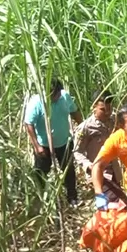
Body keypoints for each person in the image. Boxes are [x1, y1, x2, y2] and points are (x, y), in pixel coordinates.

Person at [24, 78, 83, 207]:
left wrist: (82, 128)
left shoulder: (65, 97)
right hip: (43, 145)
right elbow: (28, 124)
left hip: (64, 142)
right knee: (41, 172)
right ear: (48, 93)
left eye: (58, 94)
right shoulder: (36, 102)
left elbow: (75, 112)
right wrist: (37, 146)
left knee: (69, 171)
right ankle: (41, 201)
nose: (57, 97)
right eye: (54, 95)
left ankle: (72, 198)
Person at [73, 90, 127, 205]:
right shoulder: (86, 128)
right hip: (100, 173)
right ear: (94, 107)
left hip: (117, 171)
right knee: (116, 203)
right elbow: (77, 151)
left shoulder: (115, 121)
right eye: (103, 109)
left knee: (118, 203)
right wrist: (88, 165)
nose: (107, 112)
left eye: (109, 109)